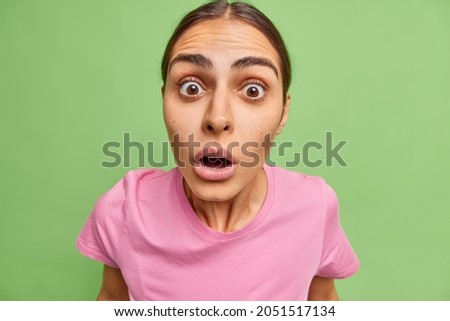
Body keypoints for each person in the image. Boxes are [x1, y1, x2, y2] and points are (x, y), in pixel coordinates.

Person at [76, 0, 359, 301]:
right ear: (164, 100)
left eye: (253, 90)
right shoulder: (124, 210)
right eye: (191, 87)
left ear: (283, 112)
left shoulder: (314, 206)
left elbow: (325, 303)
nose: (217, 118)